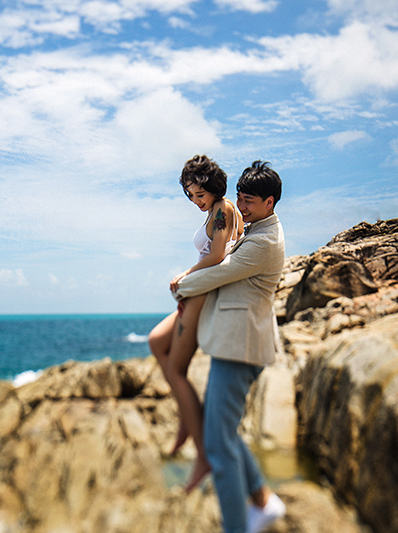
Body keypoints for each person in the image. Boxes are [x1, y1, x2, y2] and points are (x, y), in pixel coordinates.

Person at [172, 160, 287, 533]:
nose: (242, 205)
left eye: (250, 200)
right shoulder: (255, 230)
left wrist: (181, 287)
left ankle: (236, 527)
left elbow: (221, 272)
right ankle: (263, 502)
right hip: (235, 343)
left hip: (241, 348)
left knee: (218, 445)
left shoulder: (265, 241)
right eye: (240, 197)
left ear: (270, 202)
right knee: (224, 432)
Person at [148, 154, 243, 492]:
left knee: (176, 370)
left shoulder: (223, 209)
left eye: (199, 194)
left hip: (204, 292)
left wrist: (185, 275)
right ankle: (186, 422)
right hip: (197, 290)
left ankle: (203, 456)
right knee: (156, 342)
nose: (195, 200)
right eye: (190, 195)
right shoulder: (215, 211)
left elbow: (216, 256)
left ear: (213, 186)